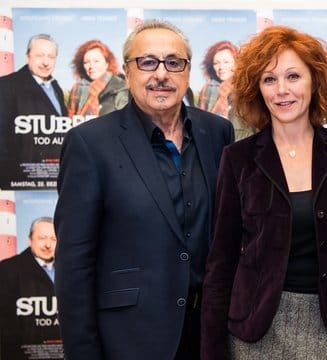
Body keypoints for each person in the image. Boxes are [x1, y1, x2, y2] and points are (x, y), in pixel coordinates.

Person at [200, 25, 327, 360]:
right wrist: (212, 351)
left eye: (293, 76)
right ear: (257, 88)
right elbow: (221, 263)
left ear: (314, 81)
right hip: (255, 332)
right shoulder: (237, 158)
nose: (282, 90)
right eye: (269, 79)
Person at [54, 19, 234, 360]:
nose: (161, 74)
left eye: (173, 62)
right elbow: (74, 266)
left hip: (209, 336)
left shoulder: (218, 133)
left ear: (187, 71)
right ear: (127, 70)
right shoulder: (90, 144)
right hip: (129, 340)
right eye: (147, 62)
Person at [0, 34, 68, 189]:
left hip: (54, 178)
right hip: (19, 181)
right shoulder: (6, 86)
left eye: (51, 57)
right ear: (27, 57)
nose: (45, 62)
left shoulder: (55, 87)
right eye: (40, 56)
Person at [0, 217, 63, 360]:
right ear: (30, 240)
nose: (48, 244)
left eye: (53, 239)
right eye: (42, 238)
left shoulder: (71, 270)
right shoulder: (7, 269)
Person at [198, 40, 254, 141]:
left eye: (226, 62)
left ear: (236, 63)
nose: (221, 67)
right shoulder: (208, 89)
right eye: (216, 63)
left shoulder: (247, 89)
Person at [67, 39, 129, 117]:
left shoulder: (120, 88)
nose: (91, 66)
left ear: (107, 63)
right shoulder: (77, 89)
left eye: (96, 61)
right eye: (86, 62)